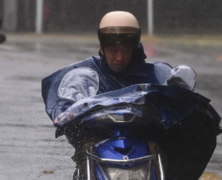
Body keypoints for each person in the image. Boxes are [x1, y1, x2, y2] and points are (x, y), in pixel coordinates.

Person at [42, 11, 195, 123]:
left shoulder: (157, 73)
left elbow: (178, 94)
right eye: (113, 51)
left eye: (126, 51)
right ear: (102, 48)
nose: (120, 58)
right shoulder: (84, 74)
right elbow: (64, 97)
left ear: (134, 48)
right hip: (96, 143)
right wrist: (66, 112)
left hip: (148, 143)